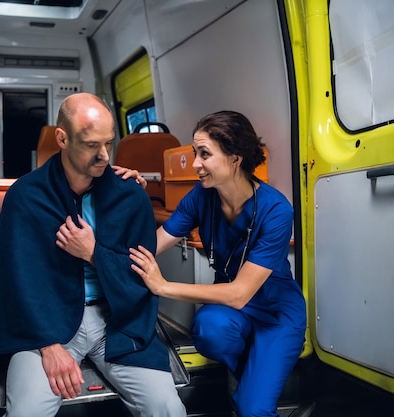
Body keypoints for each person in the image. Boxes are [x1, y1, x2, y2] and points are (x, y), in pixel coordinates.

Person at [0, 93, 186, 417]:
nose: (102, 155)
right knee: (27, 412)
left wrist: (93, 252)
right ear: (62, 138)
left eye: (108, 144)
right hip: (44, 325)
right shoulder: (26, 197)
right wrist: (48, 346)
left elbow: (141, 275)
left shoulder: (130, 196)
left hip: (116, 322)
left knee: (167, 408)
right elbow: (16, 284)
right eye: (90, 144)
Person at [127, 111, 306, 417]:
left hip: (275, 312)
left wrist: (164, 286)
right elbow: (153, 245)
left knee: (252, 409)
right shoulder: (201, 196)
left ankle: (253, 393)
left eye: (204, 154)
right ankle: (255, 381)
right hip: (229, 311)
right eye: (196, 153)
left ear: (235, 159)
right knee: (209, 329)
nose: (195, 163)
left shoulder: (277, 210)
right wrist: (130, 195)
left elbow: (239, 293)